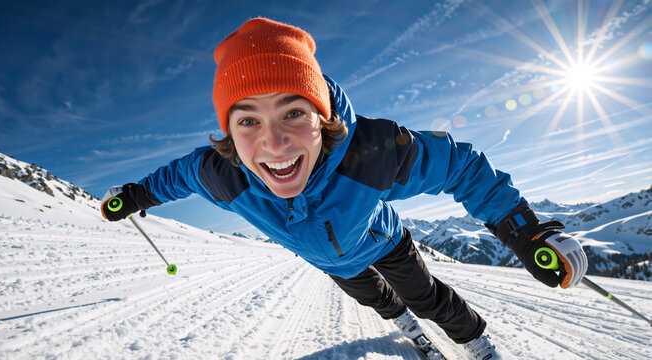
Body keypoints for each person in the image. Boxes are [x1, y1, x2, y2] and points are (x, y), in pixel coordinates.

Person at [101, 17, 588, 360]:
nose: (273, 143)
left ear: (323, 117)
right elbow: (170, 178)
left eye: (293, 112)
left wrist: (526, 233)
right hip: (333, 260)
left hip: (384, 240)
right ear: (229, 136)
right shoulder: (221, 174)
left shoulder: (370, 154)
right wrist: (135, 197)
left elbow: (462, 167)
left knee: (427, 297)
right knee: (376, 299)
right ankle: (406, 329)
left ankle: (476, 343)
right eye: (248, 120)